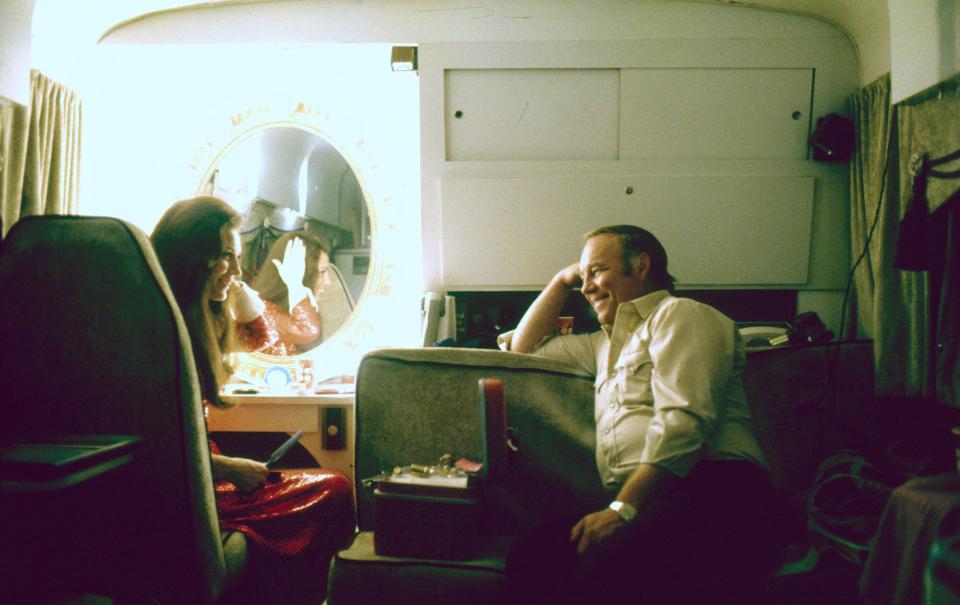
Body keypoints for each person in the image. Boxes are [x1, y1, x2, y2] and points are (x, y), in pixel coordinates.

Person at [500, 225, 777, 604]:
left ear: (642, 265)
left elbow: (686, 422)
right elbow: (522, 350)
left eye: (597, 272)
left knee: (600, 572)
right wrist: (561, 281)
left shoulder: (682, 315)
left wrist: (621, 509)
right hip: (652, 499)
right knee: (535, 555)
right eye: (582, 277)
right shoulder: (603, 345)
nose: (586, 287)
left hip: (714, 489)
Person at [150, 196, 354, 603]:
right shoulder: (155, 335)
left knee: (333, 486)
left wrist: (239, 291)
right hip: (195, 488)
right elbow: (154, 452)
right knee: (333, 488)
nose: (238, 271)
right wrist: (226, 467)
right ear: (194, 257)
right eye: (227, 256)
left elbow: (262, 339)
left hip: (205, 475)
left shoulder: (200, 322)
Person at [251, 231, 333, 356]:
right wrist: (295, 284)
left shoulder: (302, 311)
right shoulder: (264, 313)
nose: (328, 282)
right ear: (302, 272)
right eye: (322, 272)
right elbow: (308, 331)